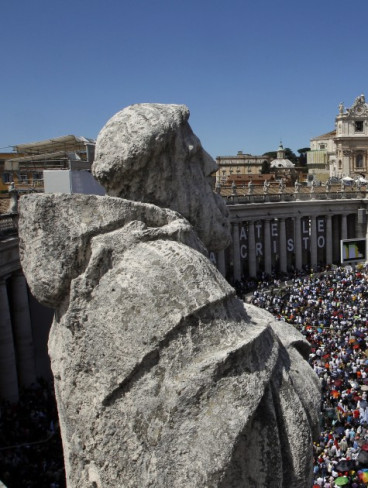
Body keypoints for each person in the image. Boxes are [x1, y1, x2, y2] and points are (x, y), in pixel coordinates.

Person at [20, 104, 320, 487]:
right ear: (164, 174)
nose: (213, 166)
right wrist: (280, 333)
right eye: (195, 155)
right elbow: (273, 426)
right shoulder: (169, 267)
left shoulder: (104, 270)